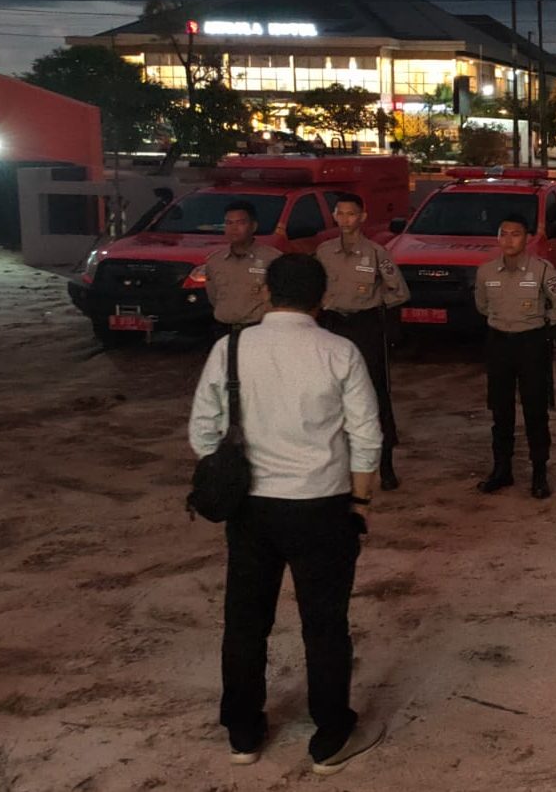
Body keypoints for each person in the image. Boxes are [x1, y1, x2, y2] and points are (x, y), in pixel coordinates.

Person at [188, 253, 385, 776]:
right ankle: (329, 735)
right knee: (324, 625)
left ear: (267, 293)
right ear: (321, 298)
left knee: (246, 621)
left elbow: (203, 431)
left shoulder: (229, 348)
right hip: (322, 506)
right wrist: (361, 501)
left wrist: (229, 472)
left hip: (251, 509)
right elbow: (367, 435)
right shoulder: (339, 351)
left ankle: (244, 732)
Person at [474, 213, 556, 499]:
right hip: (498, 345)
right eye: (503, 233)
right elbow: (482, 306)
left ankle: (539, 473)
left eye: (515, 234)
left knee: (535, 411)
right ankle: (501, 470)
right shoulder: (486, 272)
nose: (508, 239)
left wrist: (539, 326)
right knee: (500, 410)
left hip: (531, 344)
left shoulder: (542, 270)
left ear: (527, 239)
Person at [316, 192, 409, 491]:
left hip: (366, 327)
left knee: (374, 394)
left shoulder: (376, 253)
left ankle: (385, 466)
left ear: (363, 217)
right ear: (334, 216)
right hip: (332, 326)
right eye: (340, 214)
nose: (346, 220)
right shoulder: (324, 252)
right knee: (331, 395)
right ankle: (338, 464)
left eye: (351, 214)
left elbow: (399, 292)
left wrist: (376, 307)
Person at [203, 200, 281, 333]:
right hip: (224, 330)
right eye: (229, 223)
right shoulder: (215, 261)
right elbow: (213, 296)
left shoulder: (273, 259)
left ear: (253, 226)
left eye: (241, 223)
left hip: (260, 330)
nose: (234, 228)